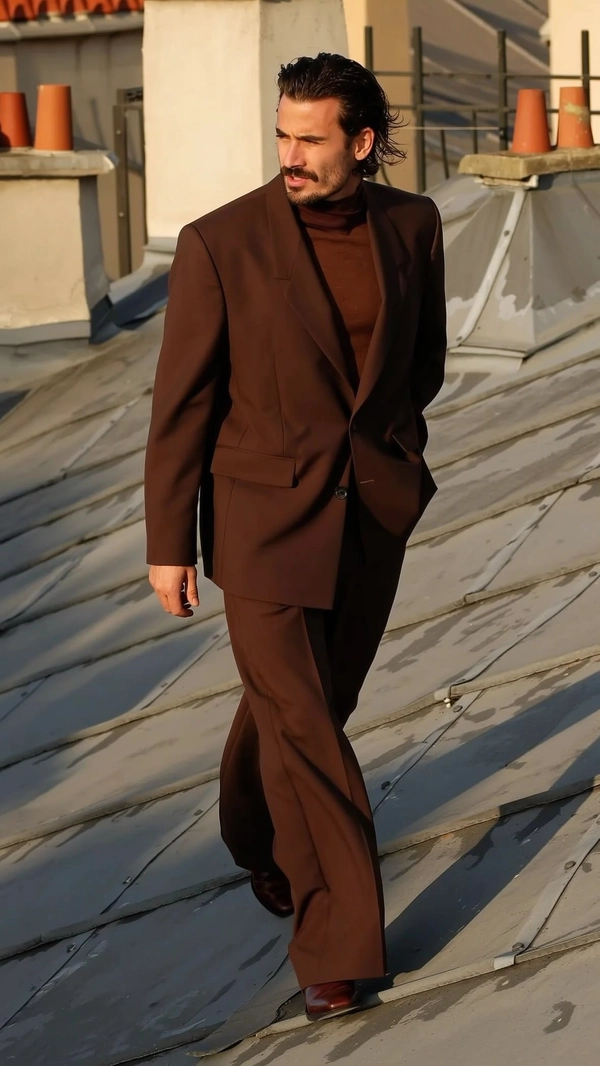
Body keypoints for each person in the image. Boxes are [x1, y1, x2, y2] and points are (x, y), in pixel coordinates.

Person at [144, 52, 446, 1022]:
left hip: (371, 513)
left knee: (311, 705)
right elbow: (181, 404)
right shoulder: (221, 243)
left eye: (310, 138)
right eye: (283, 134)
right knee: (310, 732)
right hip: (262, 523)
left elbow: (421, 362)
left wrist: (392, 451)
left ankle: (253, 830)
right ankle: (340, 944)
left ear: (361, 141)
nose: (291, 155)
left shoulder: (413, 224)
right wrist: (169, 540)